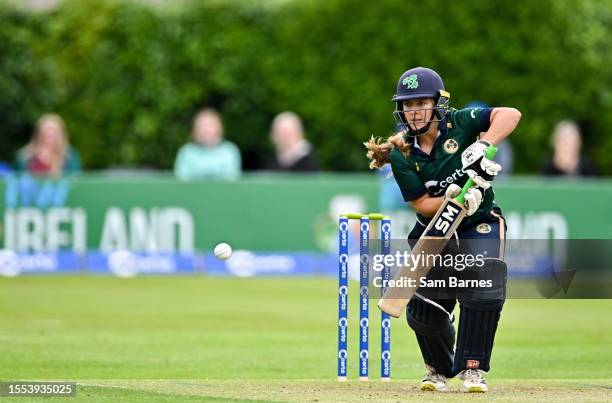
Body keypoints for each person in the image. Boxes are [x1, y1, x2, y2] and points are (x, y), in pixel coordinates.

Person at [364, 67, 521, 393]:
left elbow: (511, 114)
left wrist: (484, 145)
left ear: (438, 104)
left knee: (484, 282)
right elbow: (421, 203)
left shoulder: (462, 123)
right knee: (423, 307)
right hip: (434, 231)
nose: (414, 110)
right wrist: (452, 198)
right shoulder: (402, 152)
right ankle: (437, 369)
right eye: (407, 105)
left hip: (480, 221)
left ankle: (472, 370)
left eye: (420, 102)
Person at [174, 108, 241, 181]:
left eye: (210, 125)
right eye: (202, 126)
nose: (206, 130)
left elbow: (231, 181)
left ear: (219, 128)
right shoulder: (186, 152)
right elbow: (181, 181)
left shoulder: (229, 151)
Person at [15, 114, 81, 177]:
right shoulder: (25, 156)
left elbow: (75, 180)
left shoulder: (70, 156)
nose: (49, 133)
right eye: (46, 130)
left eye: (53, 130)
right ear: (39, 133)